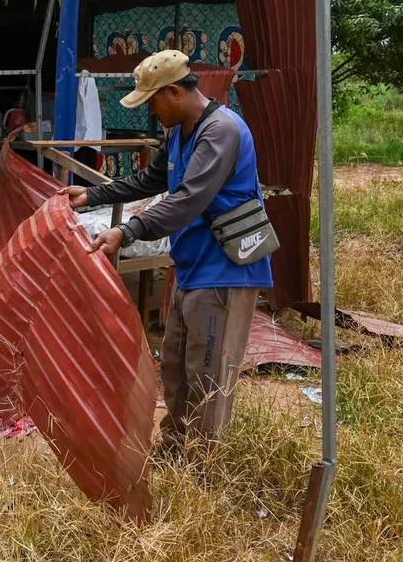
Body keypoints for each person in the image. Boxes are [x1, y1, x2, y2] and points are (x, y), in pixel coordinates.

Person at [59, 49, 273, 448]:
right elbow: (150, 180)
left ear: (174, 92)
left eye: (152, 101)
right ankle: (176, 450)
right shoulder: (179, 132)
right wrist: (91, 195)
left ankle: (203, 466)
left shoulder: (221, 131)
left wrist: (127, 231)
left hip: (224, 269)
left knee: (208, 376)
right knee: (175, 367)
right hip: (191, 265)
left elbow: (188, 199)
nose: (150, 111)